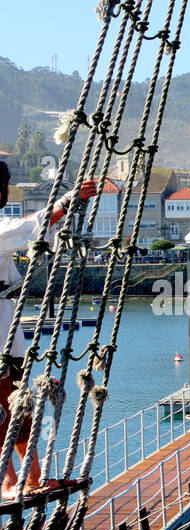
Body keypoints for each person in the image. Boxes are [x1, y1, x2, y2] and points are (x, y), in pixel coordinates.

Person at [0, 162, 101, 499]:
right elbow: (31, 226)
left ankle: (31, 477)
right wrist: (67, 201)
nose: (10, 191)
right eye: (8, 185)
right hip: (1, 330)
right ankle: (10, 480)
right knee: (4, 407)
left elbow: (36, 232)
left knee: (18, 404)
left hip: (7, 327)